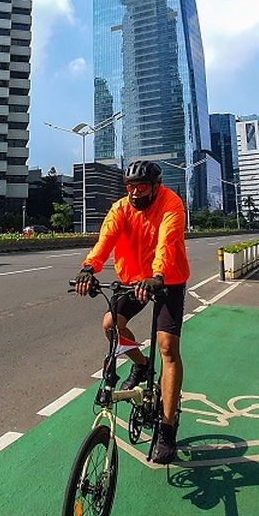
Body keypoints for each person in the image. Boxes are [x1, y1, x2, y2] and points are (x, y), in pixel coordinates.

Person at [73, 160, 190, 465]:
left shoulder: (171, 203)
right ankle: (140, 365)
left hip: (167, 280)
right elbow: (105, 240)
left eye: (141, 187)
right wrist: (89, 268)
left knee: (167, 347)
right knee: (111, 325)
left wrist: (158, 275)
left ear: (155, 186)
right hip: (133, 280)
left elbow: (167, 241)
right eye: (130, 187)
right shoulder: (121, 208)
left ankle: (167, 428)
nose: (135, 193)